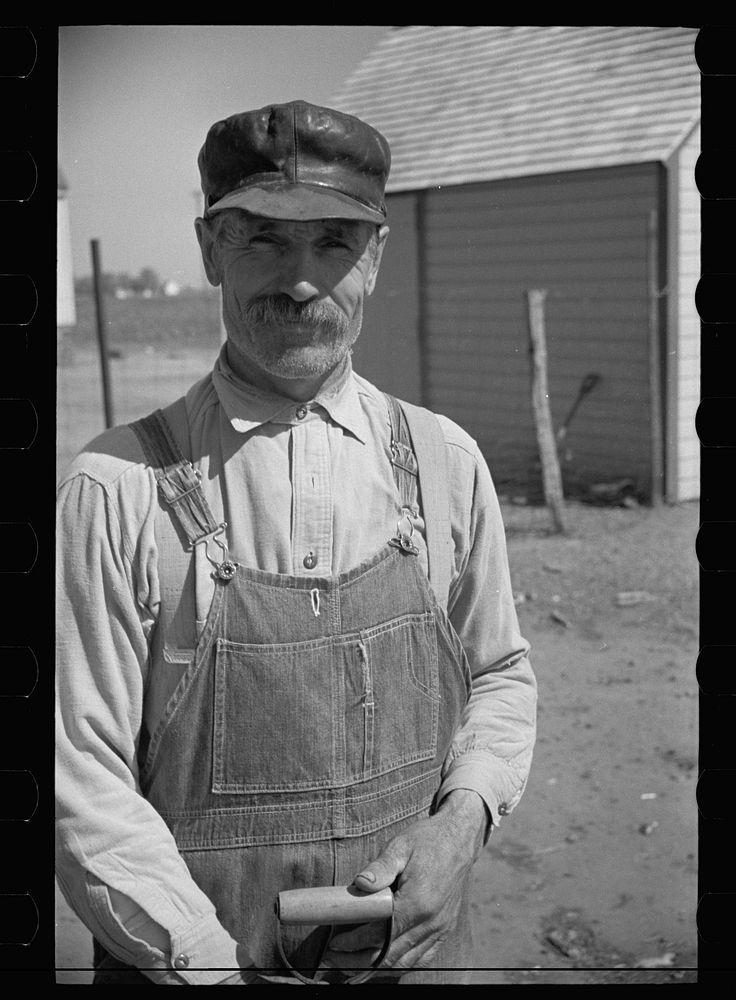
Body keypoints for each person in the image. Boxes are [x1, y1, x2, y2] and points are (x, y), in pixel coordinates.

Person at [56, 100, 537, 985]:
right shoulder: (115, 487)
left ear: (377, 257)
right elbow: (76, 775)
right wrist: (209, 967)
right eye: (264, 241)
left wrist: (463, 818)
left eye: (333, 243)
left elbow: (499, 674)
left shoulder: (445, 465)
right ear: (209, 251)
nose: (302, 282)